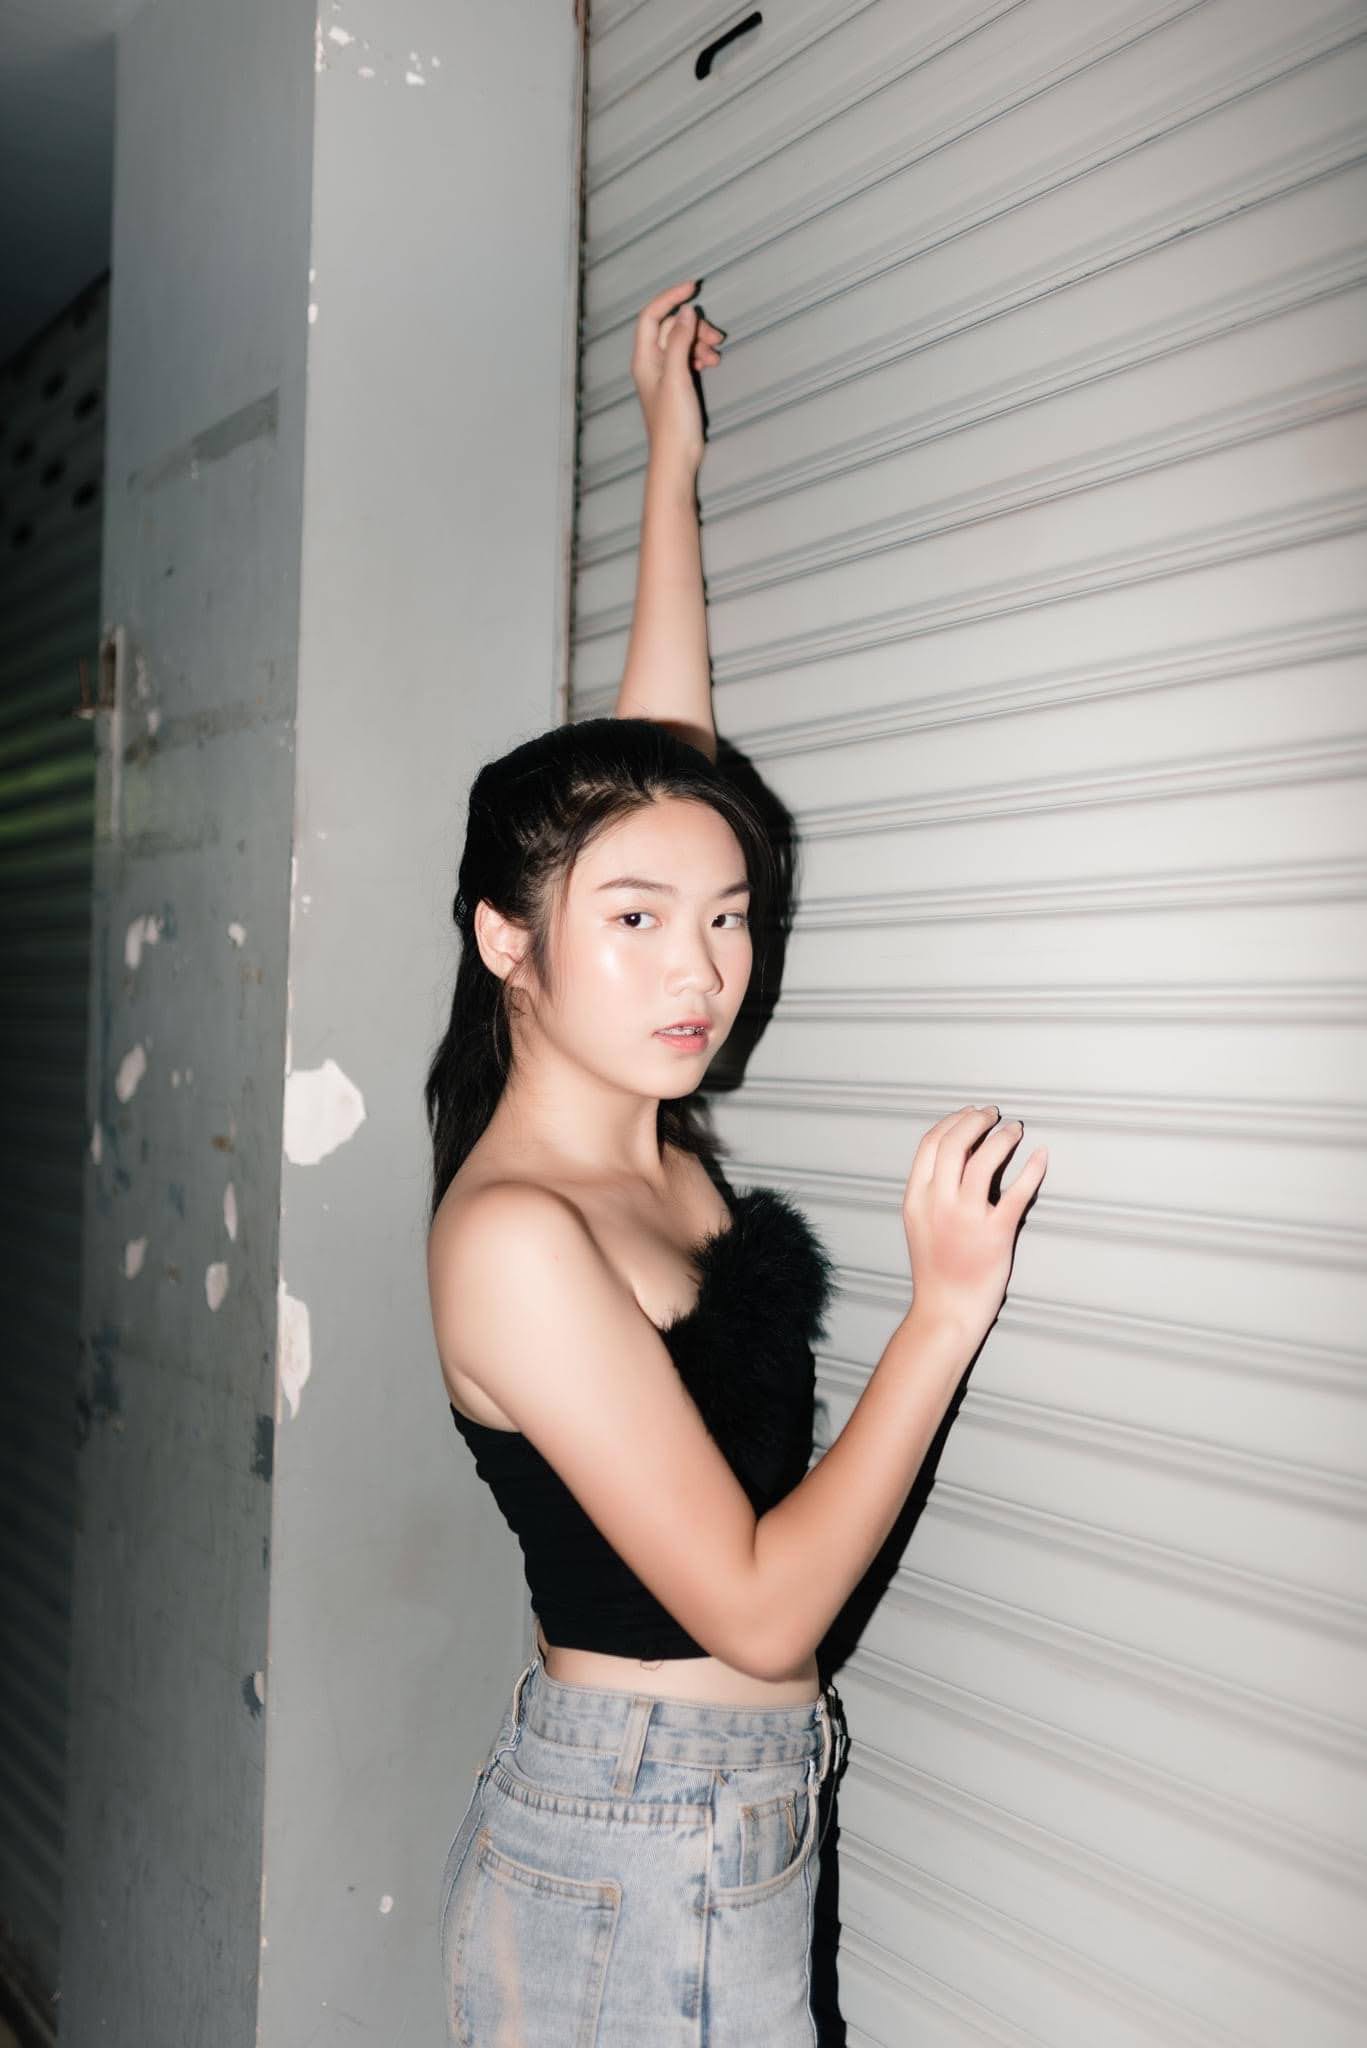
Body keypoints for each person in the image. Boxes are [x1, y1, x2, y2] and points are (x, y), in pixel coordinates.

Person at [424, 278, 1049, 2045]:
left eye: (730, 916)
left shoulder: (637, 1131)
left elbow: (668, 775)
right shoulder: (517, 1235)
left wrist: (670, 462)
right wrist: (943, 1313)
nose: (700, 967)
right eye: (635, 921)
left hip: (702, 1826)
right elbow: (763, 1611)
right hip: (641, 1849)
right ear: (505, 939)